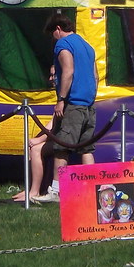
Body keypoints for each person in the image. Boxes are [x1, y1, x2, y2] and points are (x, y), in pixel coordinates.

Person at [34, 11, 99, 204]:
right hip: (89, 105)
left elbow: (68, 71)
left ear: (58, 29)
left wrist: (61, 99)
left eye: (52, 34)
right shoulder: (87, 46)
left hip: (73, 105)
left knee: (61, 149)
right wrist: (90, 97)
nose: (52, 39)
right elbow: (95, 76)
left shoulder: (63, 44)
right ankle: (90, 189)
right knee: (86, 149)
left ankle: (56, 191)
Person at [12, 67, 55, 203]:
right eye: (50, 75)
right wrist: (38, 137)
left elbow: (58, 124)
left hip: (66, 139)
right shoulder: (61, 94)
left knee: (36, 149)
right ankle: (30, 187)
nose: (50, 79)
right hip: (59, 137)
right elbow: (53, 122)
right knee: (32, 145)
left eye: (54, 75)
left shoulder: (67, 95)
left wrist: (40, 139)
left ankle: (34, 191)